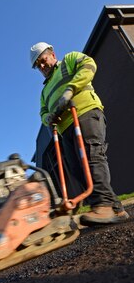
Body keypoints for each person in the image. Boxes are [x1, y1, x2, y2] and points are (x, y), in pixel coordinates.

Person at [30, 42, 129, 225]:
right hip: (64, 128)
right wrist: (48, 118)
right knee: (76, 168)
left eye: (43, 61)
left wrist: (70, 89)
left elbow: (89, 65)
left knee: (91, 157)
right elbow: (42, 112)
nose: (42, 67)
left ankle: (104, 205)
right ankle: (113, 208)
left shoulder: (69, 60)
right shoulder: (44, 92)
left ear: (52, 54)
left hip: (84, 113)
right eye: (39, 66)